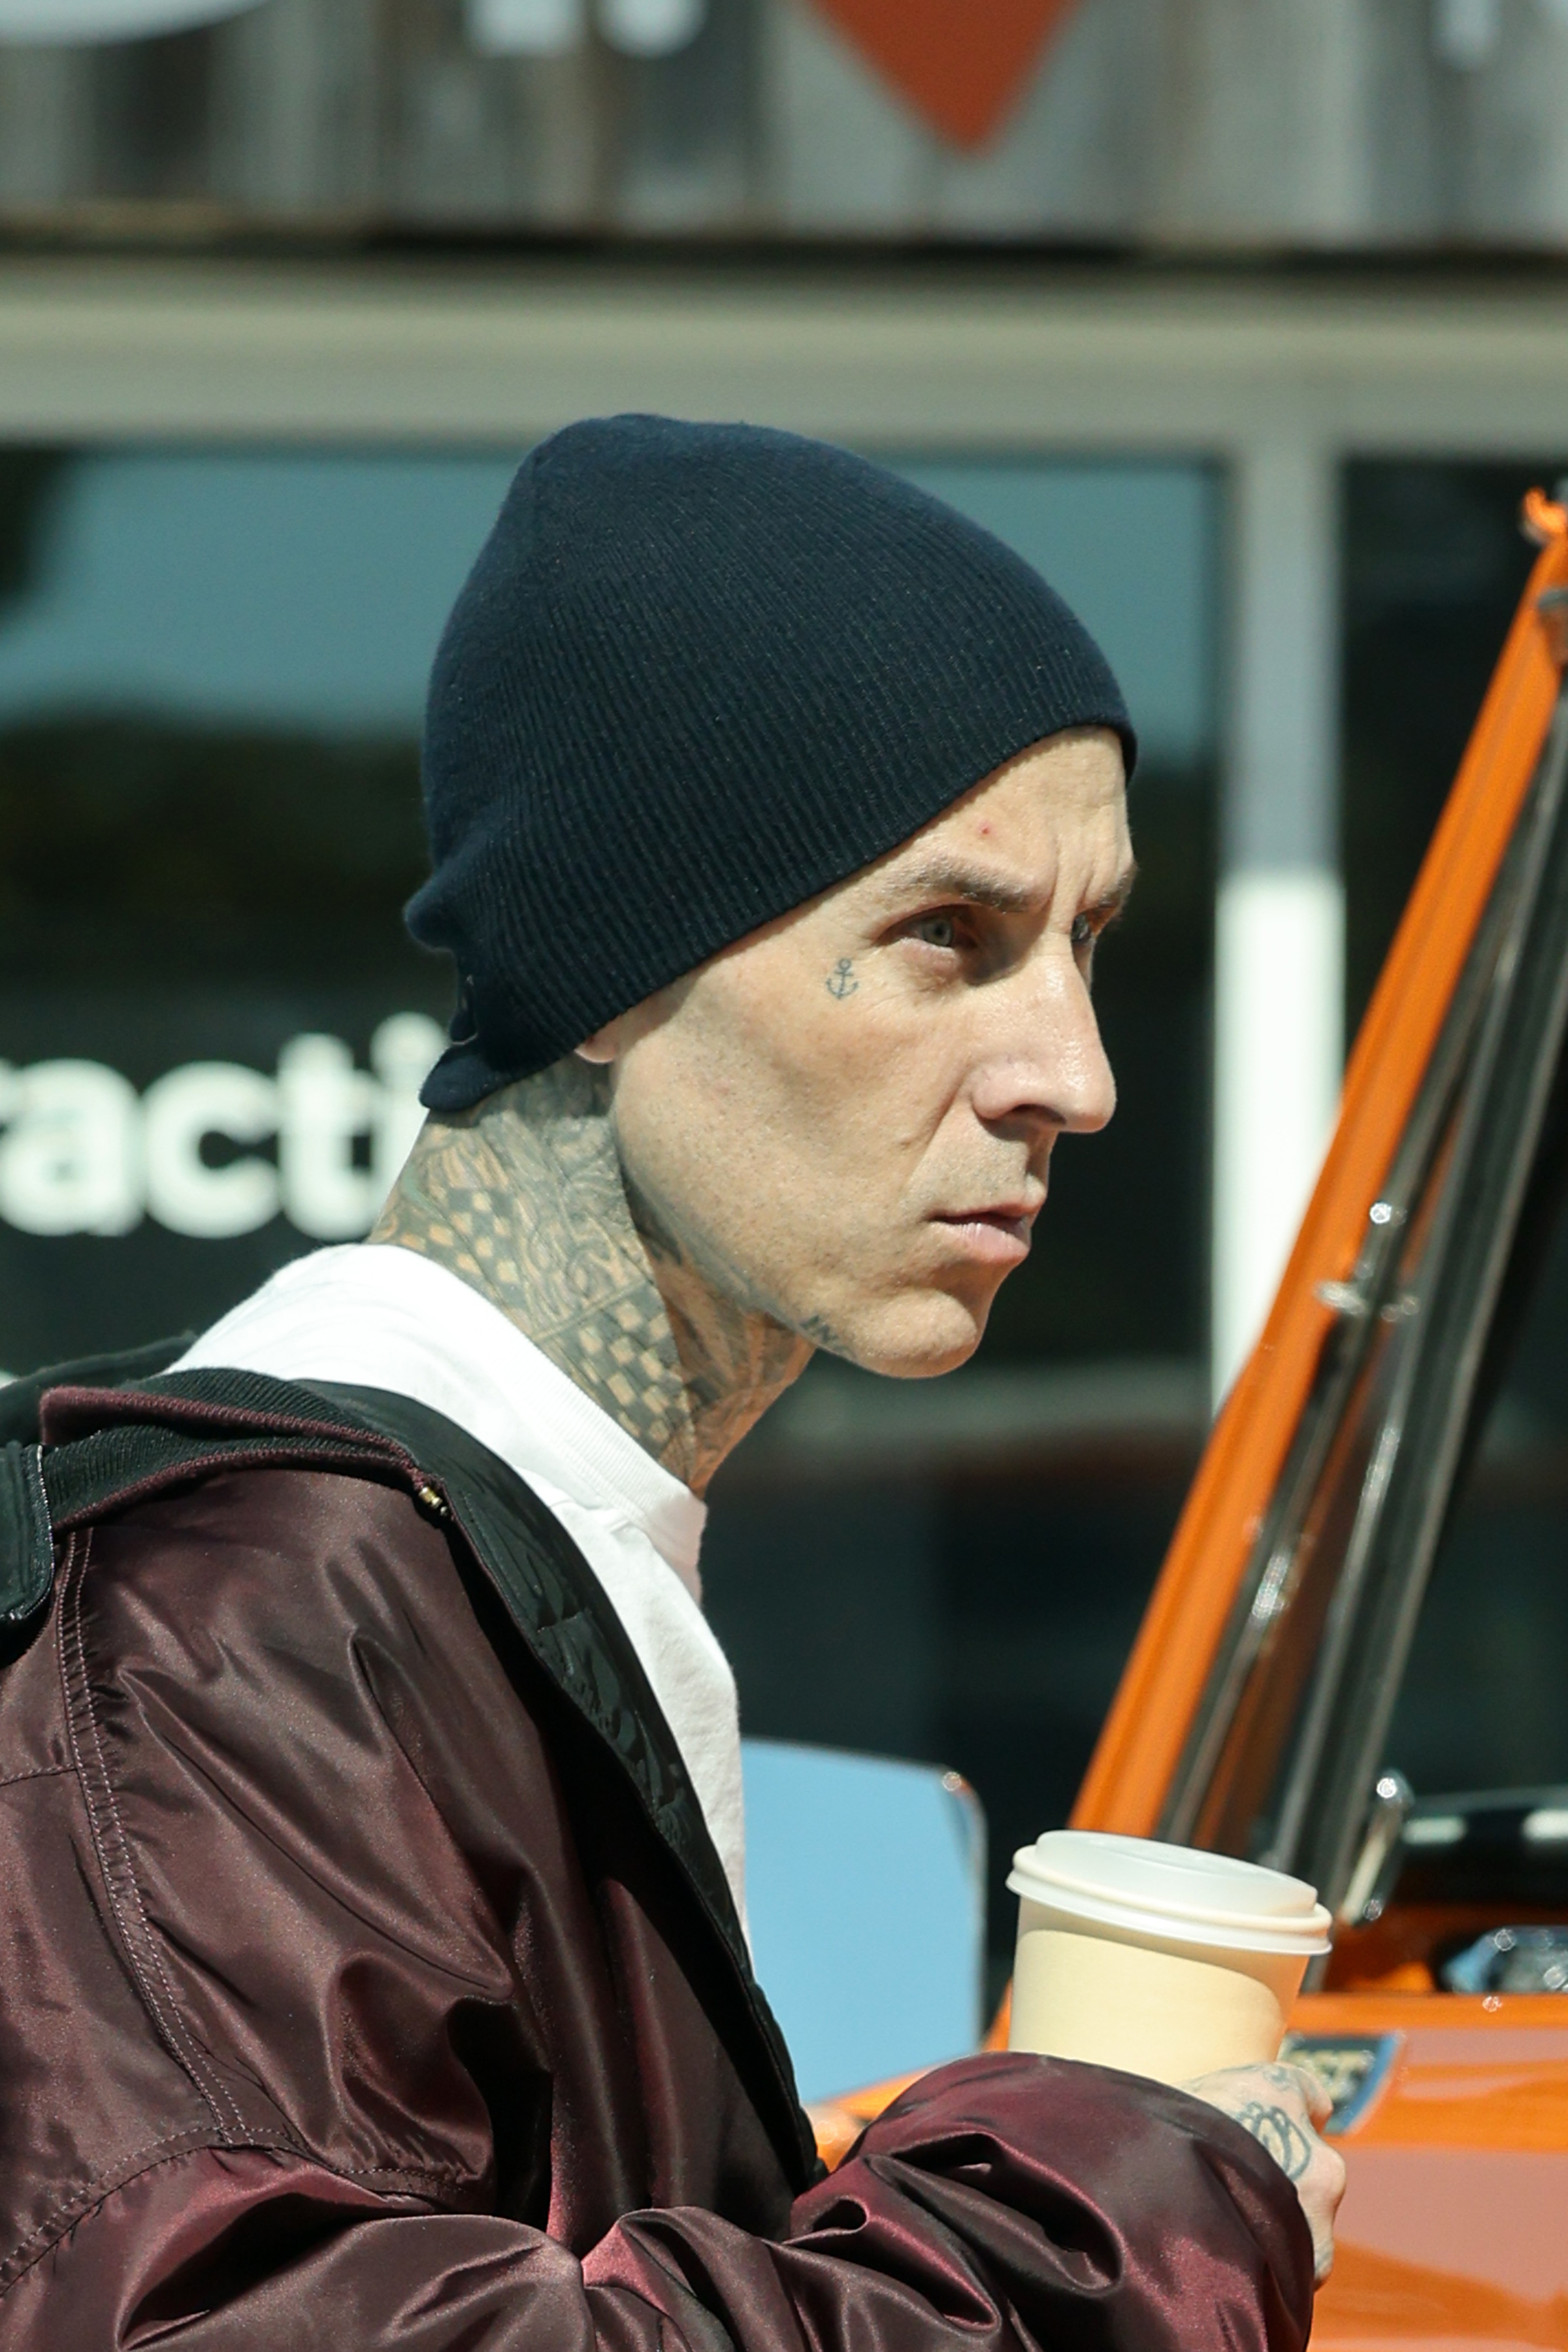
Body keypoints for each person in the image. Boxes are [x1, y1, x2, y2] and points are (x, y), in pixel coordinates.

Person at [0, 417, 1342, 2347]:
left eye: (1091, 941)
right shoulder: (248, 1603)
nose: (1076, 1070)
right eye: (951, 936)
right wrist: (1100, 2229)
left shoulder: (474, 1554)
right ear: (618, 960)